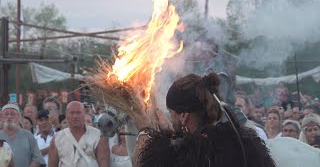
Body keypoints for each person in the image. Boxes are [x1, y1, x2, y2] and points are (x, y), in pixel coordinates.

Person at [129, 73, 276, 167]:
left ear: (184, 116)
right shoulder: (245, 141)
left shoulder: (189, 152)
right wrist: (171, 133)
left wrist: (145, 130)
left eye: (171, 112)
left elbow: (142, 163)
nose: (169, 117)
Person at [48, 101, 110, 167]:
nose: (75, 116)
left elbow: (104, 163)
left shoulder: (98, 135)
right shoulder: (57, 138)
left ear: (84, 114)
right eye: (72, 113)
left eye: (78, 113)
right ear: (66, 115)